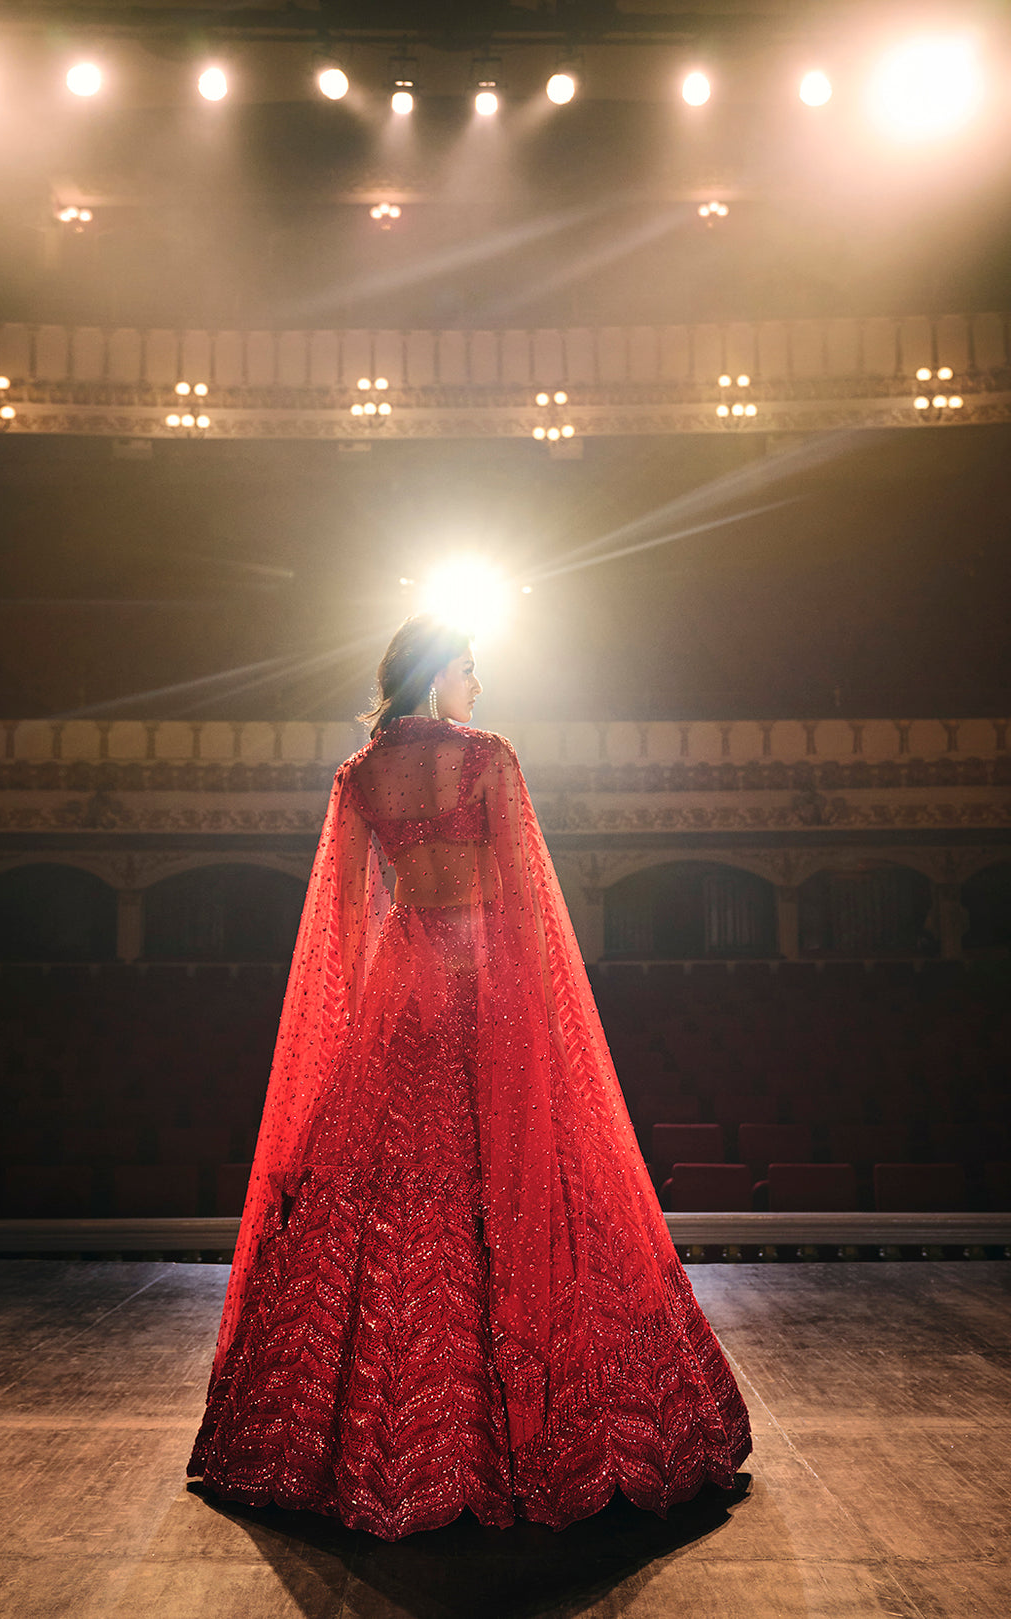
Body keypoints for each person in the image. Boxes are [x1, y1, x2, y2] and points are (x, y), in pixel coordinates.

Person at [187, 613, 751, 1539]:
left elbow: (341, 928)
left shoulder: (359, 777)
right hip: (487, 986)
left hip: (401, 996)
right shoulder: (489, 757)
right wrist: (544, 1030)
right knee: (528, 1185)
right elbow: (528, 906)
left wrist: (359, 1028)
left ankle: (364, 1440)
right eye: (470, 668)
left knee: (394, 1196)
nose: (479, 686)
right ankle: (532, 1436)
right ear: (439, 670)